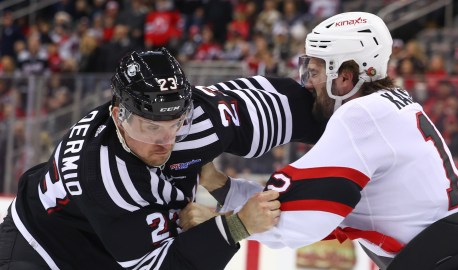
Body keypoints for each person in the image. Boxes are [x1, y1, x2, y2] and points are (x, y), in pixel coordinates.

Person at [189, 12, 458, 270]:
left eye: (314, 73)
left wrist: (223, 227)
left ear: (345, 77)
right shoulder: (393, 104)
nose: (307, 83)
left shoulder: (361, 114)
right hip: (455, 251)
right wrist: (218, 184)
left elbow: (294, 220)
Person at [0, 48, 326, 269]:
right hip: (43, 249)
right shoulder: (106, 176)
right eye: (151, 126)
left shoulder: (201, 118)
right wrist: (235, 226)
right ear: (119, 116)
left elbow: (292, 106)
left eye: (176, 123)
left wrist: (356, 106)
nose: (166, 141)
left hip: (115, 243)